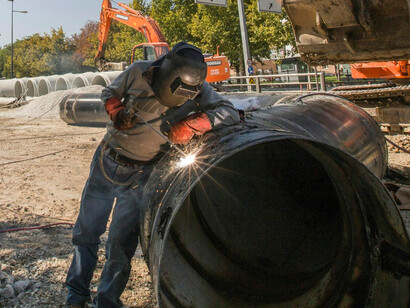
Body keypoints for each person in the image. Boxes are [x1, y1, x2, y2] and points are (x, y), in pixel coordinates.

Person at [65, 42, 240, 307]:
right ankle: (75, 296)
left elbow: (230, 112)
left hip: (142, 176)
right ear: (166, 69)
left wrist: (194, 124)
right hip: (106, 163)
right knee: (87, 232)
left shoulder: (199, 88)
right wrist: (117, 110)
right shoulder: (138, 71)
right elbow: (108, 93)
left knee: (120, 244)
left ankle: (107, 301)